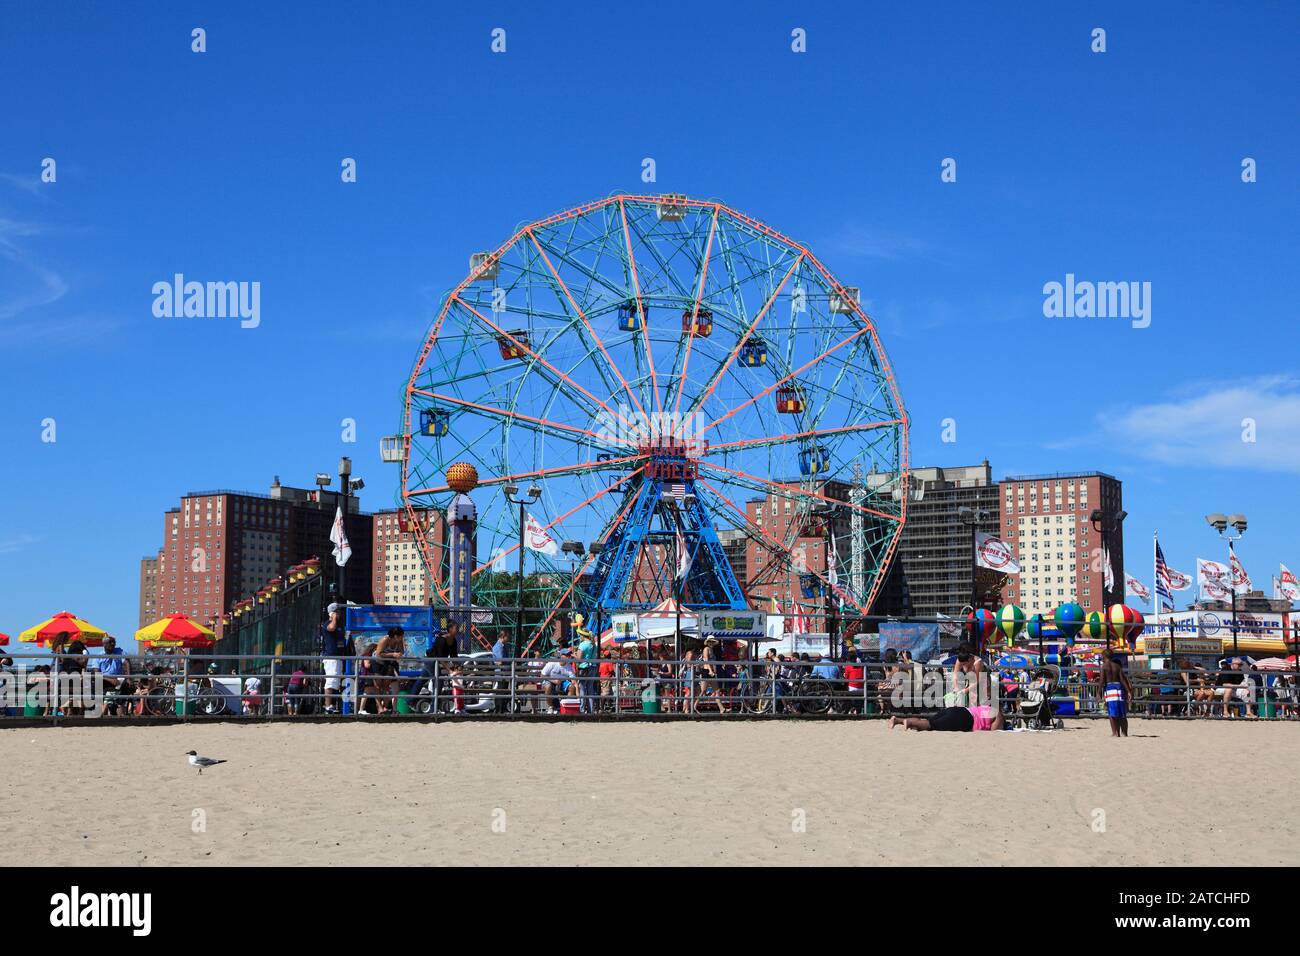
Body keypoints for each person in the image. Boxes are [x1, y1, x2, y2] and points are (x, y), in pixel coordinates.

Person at [319, 603, 349, 714]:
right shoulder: (328, 623)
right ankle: (327, 705)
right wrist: (333, 618)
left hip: (339, 656)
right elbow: (331, 628)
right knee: (330, 681)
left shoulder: (340, 626)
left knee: (336, 682)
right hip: (331, 656)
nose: (339, 614)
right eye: (337, 612)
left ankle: (332, 705)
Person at [889, 704, 1004, 732]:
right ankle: (908, 722)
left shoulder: (989, 709)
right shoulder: (998, 716)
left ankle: (897, 720)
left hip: (959, 710)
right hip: (965, 719)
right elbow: (993, 733)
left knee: (929, 721)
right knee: (930, 725)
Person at [1100, 649, 1133, 738]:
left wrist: (1099, 692)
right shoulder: (1117, 666)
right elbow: (1122, 679)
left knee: (1112, 713)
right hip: (1119, 689)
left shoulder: (1104, 666)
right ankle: (1124, 733)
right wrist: (1129, 691)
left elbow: (1102, 680)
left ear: (1104, 656)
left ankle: (1115, 733)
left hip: (1110, 689)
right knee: (1122, 713)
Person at [374, 627, 405, 714]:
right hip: (379, 663)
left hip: (390, 663)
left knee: (389, 685)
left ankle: (387, 707)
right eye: (401, 636)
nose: (402, 638)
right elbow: (378, 653)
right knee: (378, 686)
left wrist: (399, 654)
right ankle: (379, 707)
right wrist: (393, 654)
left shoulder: (399, 641)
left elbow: (402, 651)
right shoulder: (385, 639)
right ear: (395, 636)